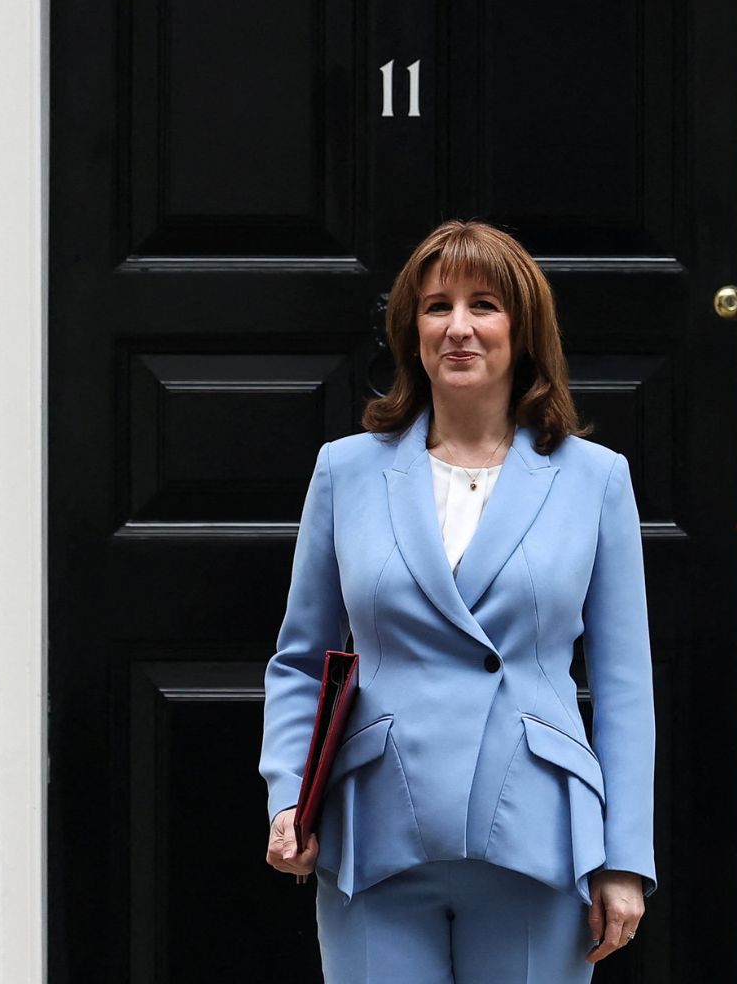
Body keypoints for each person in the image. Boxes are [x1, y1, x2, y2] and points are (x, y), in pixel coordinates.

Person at [258, 219, 657, 981]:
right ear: (412, 331)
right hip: (376, 831)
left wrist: (623, 858)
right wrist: (289, 795)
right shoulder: (346, 472)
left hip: (536, 833)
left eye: (485, 305)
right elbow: (301, 658)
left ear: (524, 329)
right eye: (437, 306)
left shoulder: (594, 479)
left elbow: (624, 685)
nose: (460, 328)